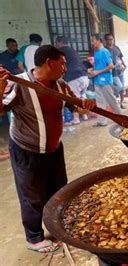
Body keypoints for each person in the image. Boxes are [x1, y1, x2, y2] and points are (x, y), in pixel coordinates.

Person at [0, 45, 95, 253]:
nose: (66, 68)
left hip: (53, 149)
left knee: (59, 190)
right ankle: (34, 238)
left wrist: (85, 104)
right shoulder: (19, 84)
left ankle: (59, 227)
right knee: (32, 195)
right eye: (63, 63)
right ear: (49, 63)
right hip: (26, 150)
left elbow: (75, 106)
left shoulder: (61, 85)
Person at [55, 36, 90, 125]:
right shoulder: (72, 50)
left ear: (59, 42)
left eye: (56, 43)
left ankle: (76, 119)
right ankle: (85, 116)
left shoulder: (60, 52)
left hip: (74, 78)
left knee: (74, 99)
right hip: (84, 77)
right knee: (82, 96)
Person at [88, 34, 121, 127]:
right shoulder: (96, 51)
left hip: (105, 80)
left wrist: (97, 72)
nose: (92, 42)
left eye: (93, 40)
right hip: (97, 80)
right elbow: (99, 65)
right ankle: (102, 121)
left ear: (99, 41)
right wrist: (92, 69)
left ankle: (121, 118)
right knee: (100, 102)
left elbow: (111, 65)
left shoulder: (105, 51)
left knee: (111, 100)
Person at [104, 33, 127, 109]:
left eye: (112, 39)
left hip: (120, 70)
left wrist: (124, 65)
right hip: (113, 73)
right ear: (106, 40)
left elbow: (120, 57)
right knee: (119, 87)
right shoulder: (105, 50)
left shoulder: (116, 47)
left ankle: (121, 103)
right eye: (109, 39)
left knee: (122, 88)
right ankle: (111, 100)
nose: (111, 41)